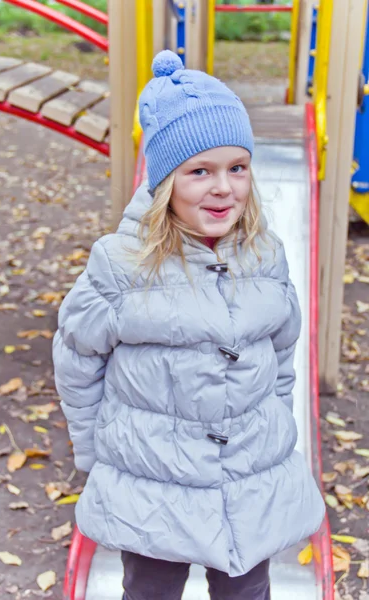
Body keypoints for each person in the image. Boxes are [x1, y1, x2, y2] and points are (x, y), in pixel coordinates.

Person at [53, 50, 325, 600]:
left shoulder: (265, 255)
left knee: (247, 590)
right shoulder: (121, 264)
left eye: (237, 168)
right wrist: (92, 447)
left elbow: (282, 349)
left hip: (249, 479)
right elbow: (77, 357)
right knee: (151, 590)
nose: (223, 187)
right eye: (199, 171)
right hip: (154, 482)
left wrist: (274, 425)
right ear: (164, 184)